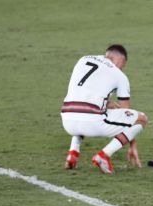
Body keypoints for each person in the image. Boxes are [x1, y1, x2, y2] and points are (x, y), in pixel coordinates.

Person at [60, 44, 147, 173]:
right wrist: (132, 145)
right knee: (141, 119)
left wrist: (107, 103)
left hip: (67, 120)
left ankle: (73, 153)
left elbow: (84, 93)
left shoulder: (83, 59)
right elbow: (126, 113)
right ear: (121, 60)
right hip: (92, 123)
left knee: (84, 109)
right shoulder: (119, 75)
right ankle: (104, 155)